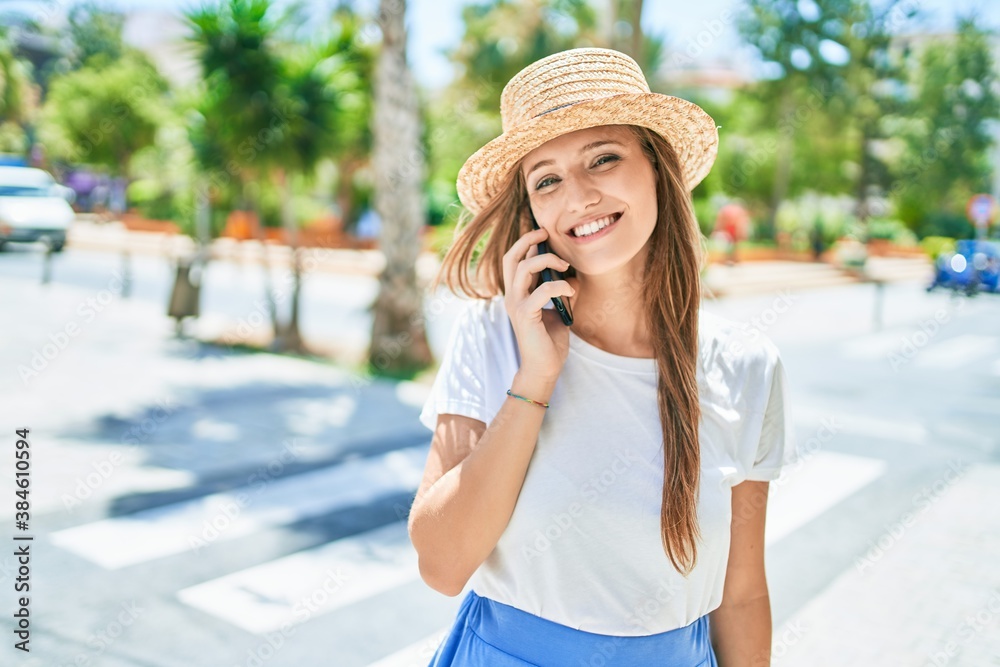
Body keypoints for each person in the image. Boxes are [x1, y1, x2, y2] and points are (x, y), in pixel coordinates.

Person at [409, 48, 795, 667]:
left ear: (656, 168)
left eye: (604, 158)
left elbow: (742, 592)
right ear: (531, 211)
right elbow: (443, 564)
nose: (579, 196)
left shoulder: (747, 365)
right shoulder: (492, 335)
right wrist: (535, 378)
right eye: (547, 179)